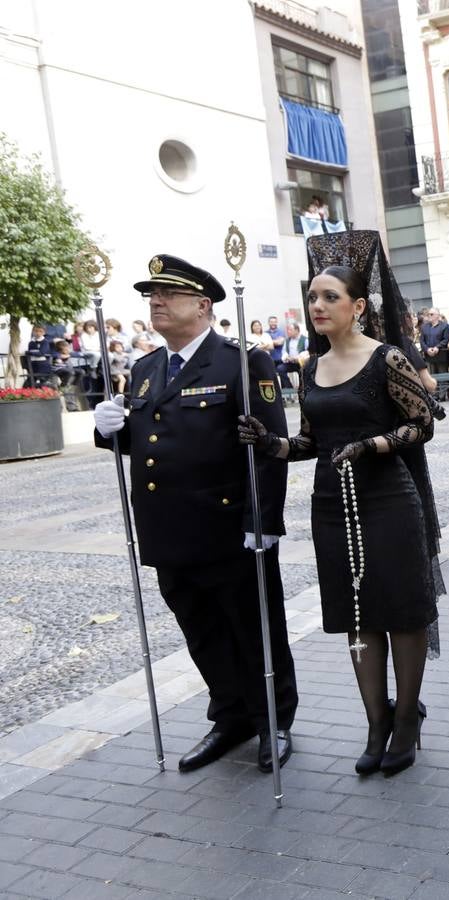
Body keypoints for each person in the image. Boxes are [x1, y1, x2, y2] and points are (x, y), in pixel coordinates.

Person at [239, 231, 442, 777]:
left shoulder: (388, 359)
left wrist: (371, 445)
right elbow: (310, 442)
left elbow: (421, 424)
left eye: (331, 298)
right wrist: (270, 443)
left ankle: (405, 722)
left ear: (358, 307)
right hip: (331, 504)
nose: (319, 306)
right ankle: (375, 721)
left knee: (401, 610)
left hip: (388, 501)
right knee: (356, 617)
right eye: (313, 298)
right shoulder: (310, 369)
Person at [92, 254, 297, 773]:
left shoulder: (242, 362)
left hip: (228, 529)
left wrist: (263, 522)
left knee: (253, 628)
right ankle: (230, 715)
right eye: (151, 296)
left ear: (202, 305)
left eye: (168, 295)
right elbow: (146, 444)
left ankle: (272, 717)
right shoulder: (145, 368)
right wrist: (109, 429)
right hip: (169, 531)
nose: (155, 303)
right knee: (200, 630)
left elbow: (267, 448)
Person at [419, 308, 449, 375]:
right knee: (431, 376)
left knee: (443, 377)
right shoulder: (424, 326)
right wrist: (427, 349)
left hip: (441, 355)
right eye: (428, 314)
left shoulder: (444, 326)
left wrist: (437, 347)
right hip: (429, 356)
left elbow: (446, 339)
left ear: (437, 315)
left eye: (431, 314)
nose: (429, 316)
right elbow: (422, 340)